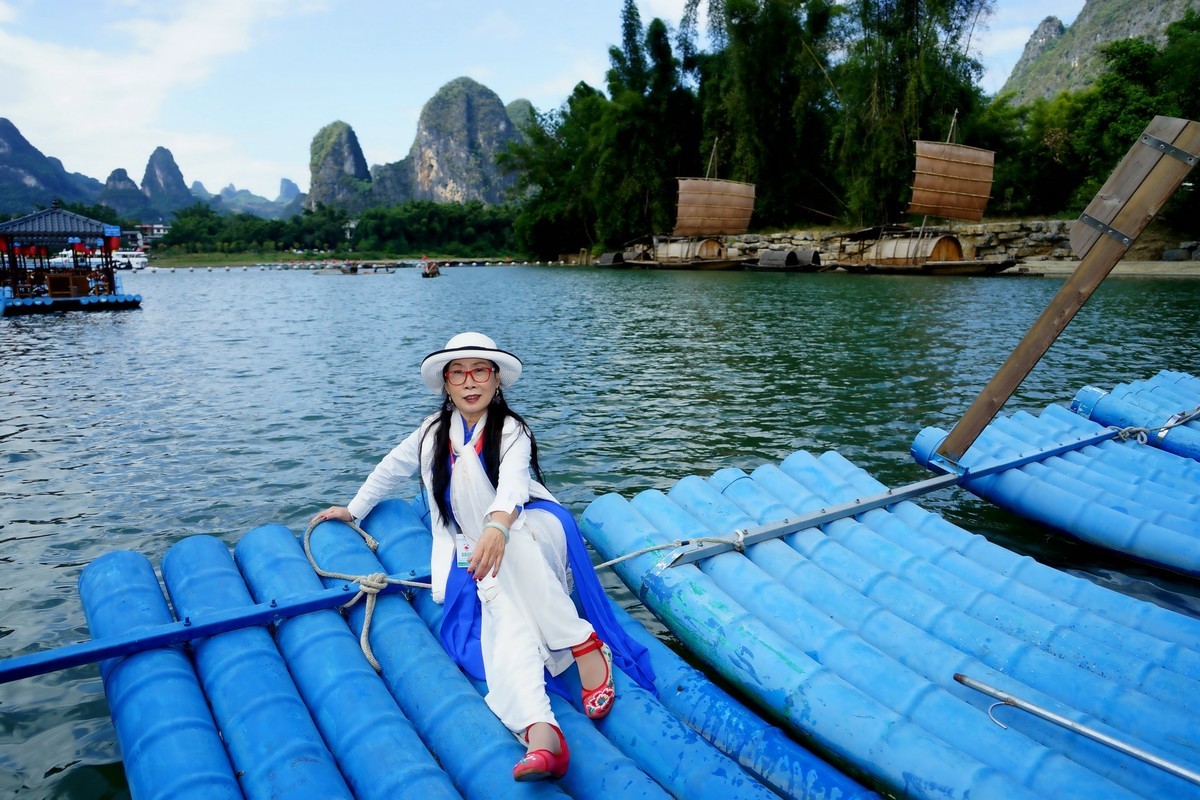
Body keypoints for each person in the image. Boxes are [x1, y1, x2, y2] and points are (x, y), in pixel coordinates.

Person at [313, 331, 654, 782]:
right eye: (458, 373)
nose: (470, 382)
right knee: (503, 604)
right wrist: (353, 510)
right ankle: (545, 722)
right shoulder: (432, 433)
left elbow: (513, 484)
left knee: (507, 555)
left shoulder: (511, 429)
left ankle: (552, 697)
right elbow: (389, 469)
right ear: (447, 384)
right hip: (480, 544)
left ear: (496, 381)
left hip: (530, 524)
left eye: (480, 371)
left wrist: (497, 526)